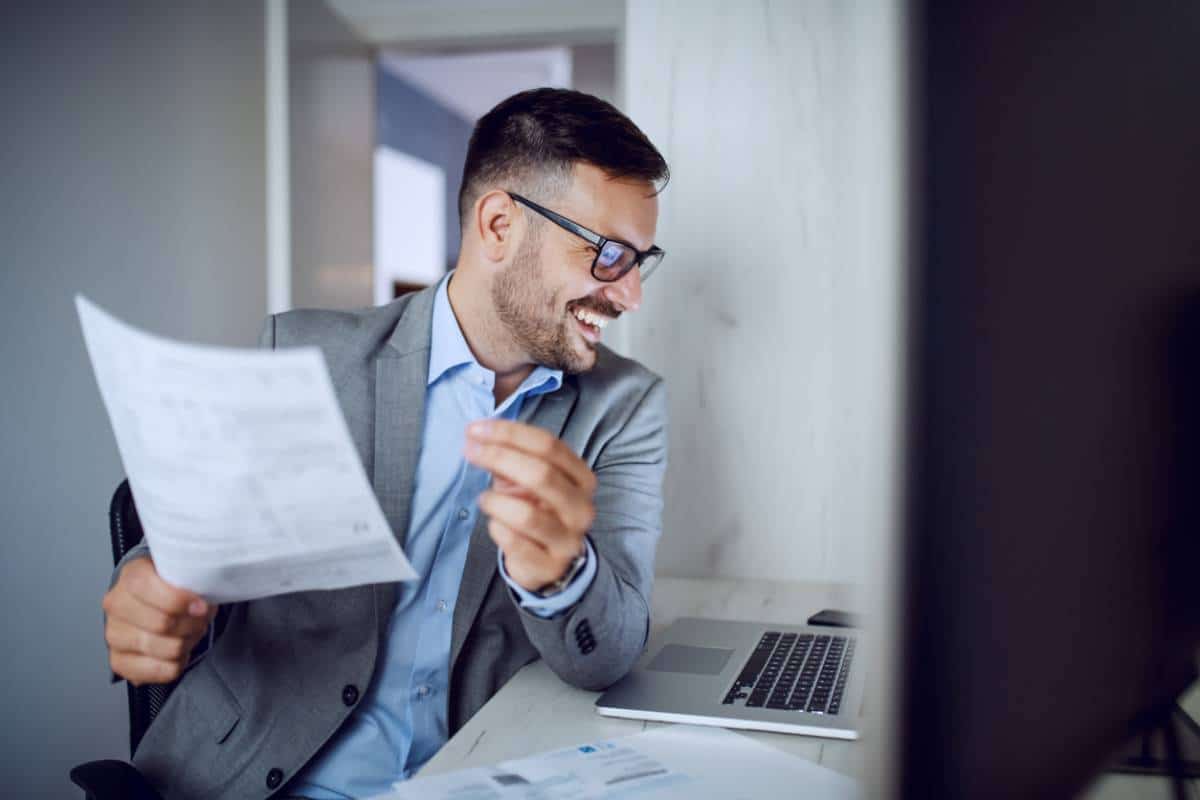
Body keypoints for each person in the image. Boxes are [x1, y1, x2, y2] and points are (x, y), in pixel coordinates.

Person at [100, 88, 670, 800]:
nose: (631, 296)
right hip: (257, 775)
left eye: (641, 260)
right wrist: (147, 584)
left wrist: (561, 575)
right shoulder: (305, 352)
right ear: (499, 225)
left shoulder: (625, 405)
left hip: (470, 777)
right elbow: (192, 538)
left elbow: (608, 657)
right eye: (610, 255)